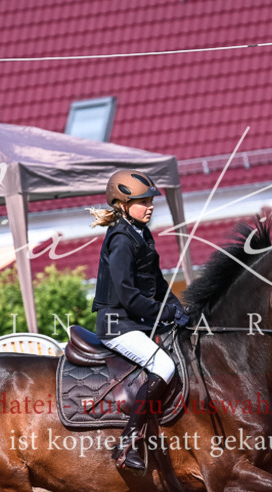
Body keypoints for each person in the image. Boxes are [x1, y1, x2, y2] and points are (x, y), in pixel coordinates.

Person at [90, 170, 189, 475]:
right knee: (164, 366)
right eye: (143, 201)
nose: (150, 206)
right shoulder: (121, 239)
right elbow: (129, 296)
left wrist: (180, 308)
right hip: (117, 325)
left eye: (150, 201)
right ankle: (128, 442)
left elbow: (157, 283)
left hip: (137, 321)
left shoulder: (140, 233)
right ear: (122, 205)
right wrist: (166, 313)